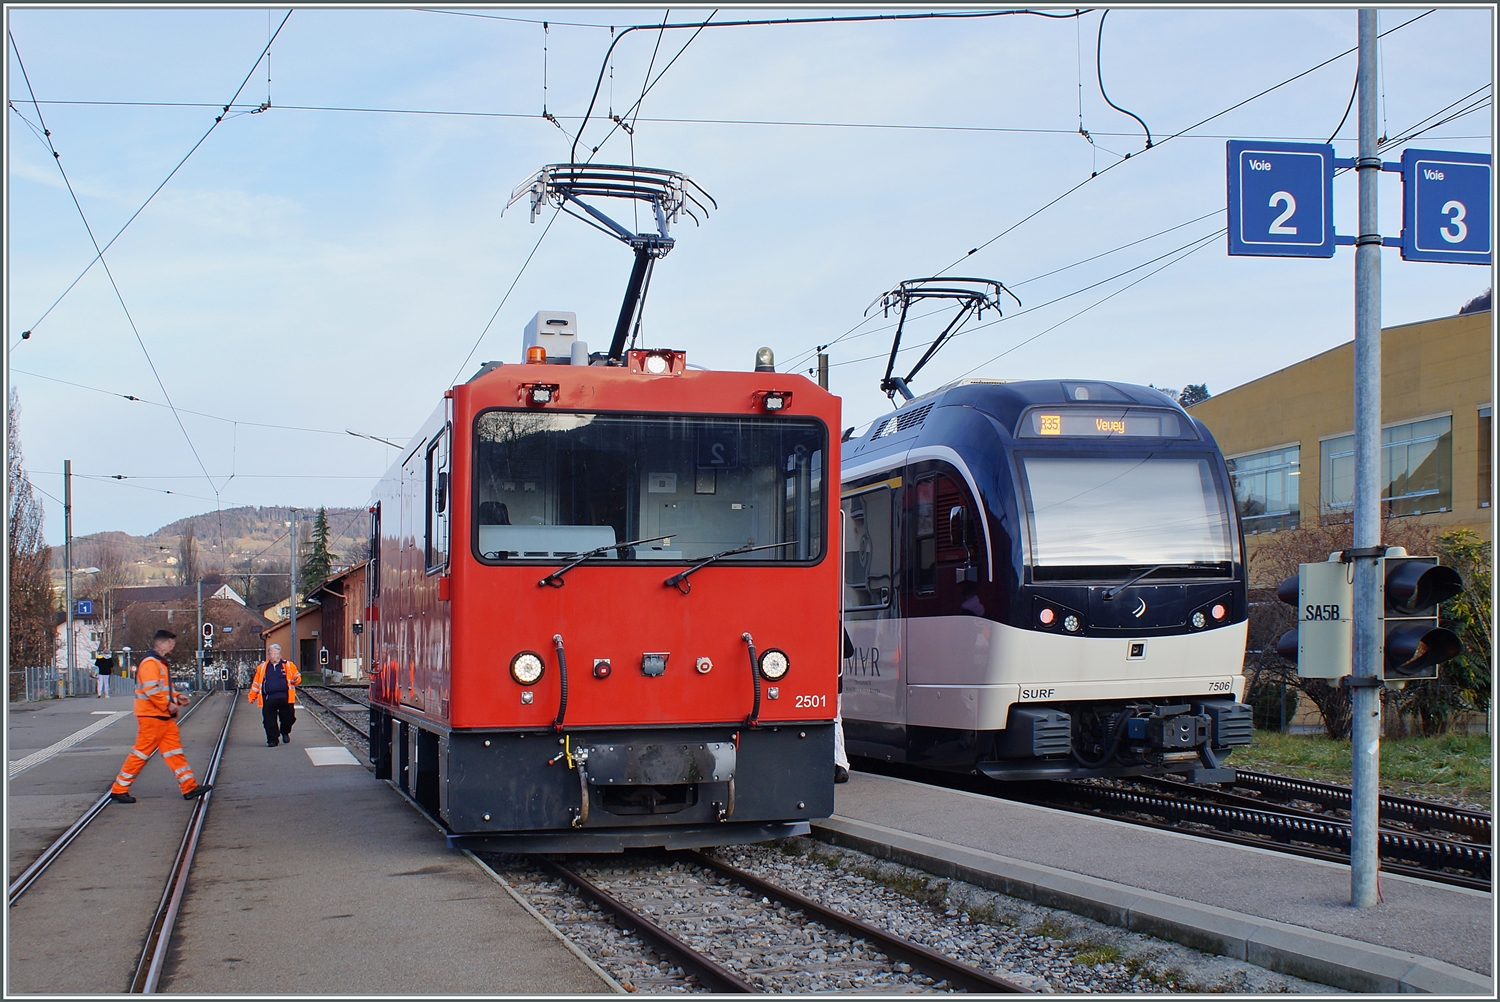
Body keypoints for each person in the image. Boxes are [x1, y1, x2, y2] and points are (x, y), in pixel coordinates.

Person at [109, 630, 210, 804]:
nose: (173, 645)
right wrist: (168, 704)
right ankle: (119, 789)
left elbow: (163, 689)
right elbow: (151, 690)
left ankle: (189, 787)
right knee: (141, 753)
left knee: (174, 753)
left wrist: (177, 698)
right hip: (152, 717)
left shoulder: (159, 663)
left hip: (162, 717)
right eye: (170, 642)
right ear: (161, 644)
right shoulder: (151, 663)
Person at [249, 643, 301, 747]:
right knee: (269, 720)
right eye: (271, 654)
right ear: (268, 655)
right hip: (268, 698)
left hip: (285, 697)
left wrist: (296, 680)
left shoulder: (288, 665)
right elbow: (256, 683)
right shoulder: (262, 667)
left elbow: (297, 676)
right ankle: (272, 740)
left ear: (280, 655)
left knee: (289, 718)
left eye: (276, 654)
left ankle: (284, 731)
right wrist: (252, 696)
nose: (274, 656)